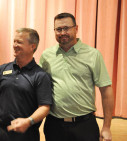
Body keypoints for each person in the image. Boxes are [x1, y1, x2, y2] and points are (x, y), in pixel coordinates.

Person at [39, 13, 114, 141]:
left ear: (76, 28)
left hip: (85, 125)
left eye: (67, 28)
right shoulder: (46, 55)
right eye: (58, 29)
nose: (63, 32)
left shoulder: (93, 55)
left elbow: (106, 91)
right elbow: (39, 87)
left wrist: (106, 127)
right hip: (54, 125)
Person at [0, 28, 52, 141]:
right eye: (14, 41)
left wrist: (28, 121)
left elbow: (45, 107)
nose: (15, 45)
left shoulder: (40, 75)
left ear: (33, 46)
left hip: (26, 134)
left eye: (19, 42)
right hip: (0, 131)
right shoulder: (3, 69)